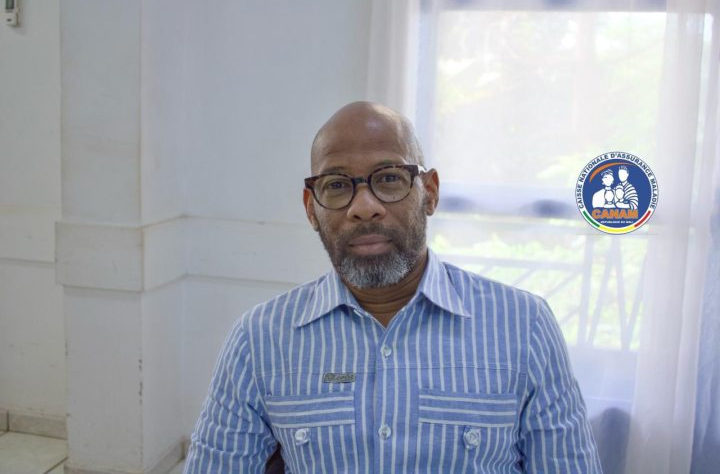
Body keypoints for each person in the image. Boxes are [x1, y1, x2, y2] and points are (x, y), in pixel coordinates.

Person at [184, 102, 603, 473]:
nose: (364, 207)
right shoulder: (259, 340)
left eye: (388, 178)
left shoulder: (524, 326)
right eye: (336, 185)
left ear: (430, 193)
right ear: (311, 209)